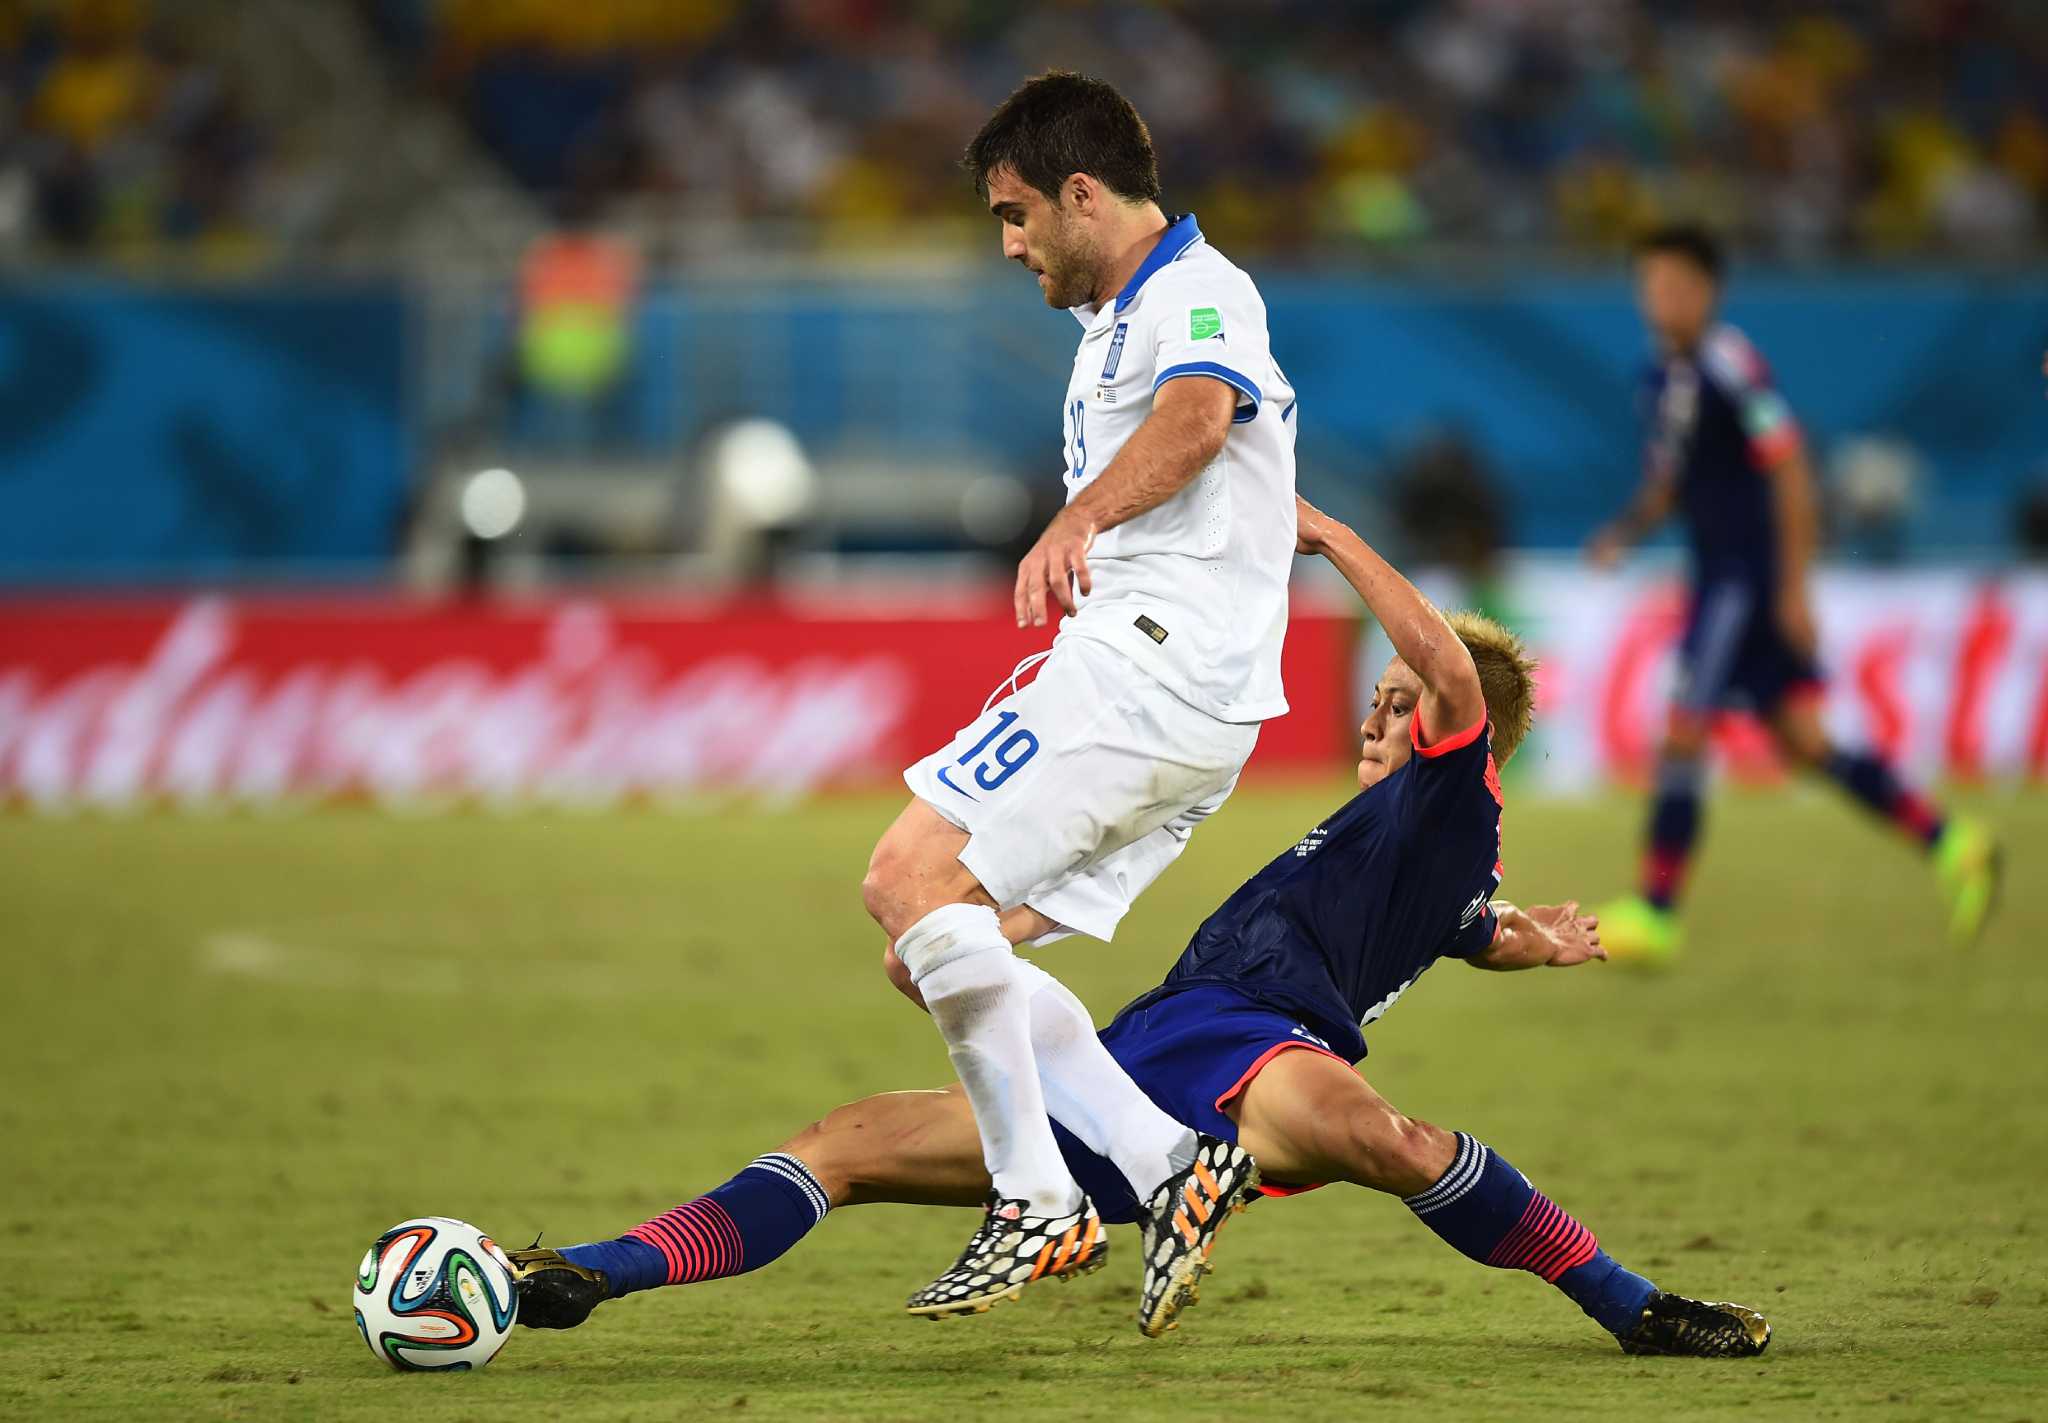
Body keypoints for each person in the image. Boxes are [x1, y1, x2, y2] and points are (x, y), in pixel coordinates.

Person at [506, 501, 1771, 1359]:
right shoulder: (1416, 850)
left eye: (1396, 707)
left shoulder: (1450, 792)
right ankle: (589, 1272)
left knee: (1384, 1138)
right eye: (1377, 704)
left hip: (1270, 1055)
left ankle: (1633, 1307)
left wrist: (1327, 536)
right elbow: (1456, 925)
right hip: (1141, 1056)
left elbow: (1447, 675)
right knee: (845, 1141)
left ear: (1463, 739)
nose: (1378, 720)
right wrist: (1518, 938)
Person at [855, 72, 1299, 1332]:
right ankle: (1168, 1163)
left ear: (1083, 194)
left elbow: (1201, 416)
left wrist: (1079, 515)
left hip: (1146, 670)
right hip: (1183, 697)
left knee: (905, 876)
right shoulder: (1117, 317)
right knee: (932, 952)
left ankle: (1035, 1199)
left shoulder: (1197, 292)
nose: (1008, 244)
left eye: (1015, 213)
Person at [1589, 224, 1999, 964]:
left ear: (1708, 292)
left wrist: (1794, 587)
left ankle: (1655, 912)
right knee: (1806, 744)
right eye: (1652, 285)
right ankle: (1954, 842)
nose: (1663, 299)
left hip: (1744, 582)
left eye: (1678, 285)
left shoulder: (1730, 365)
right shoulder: (1662, 379)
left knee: (1684, 730)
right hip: (1722, 578)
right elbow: (1670, 481)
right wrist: (1622, 532)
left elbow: (1789, 466)